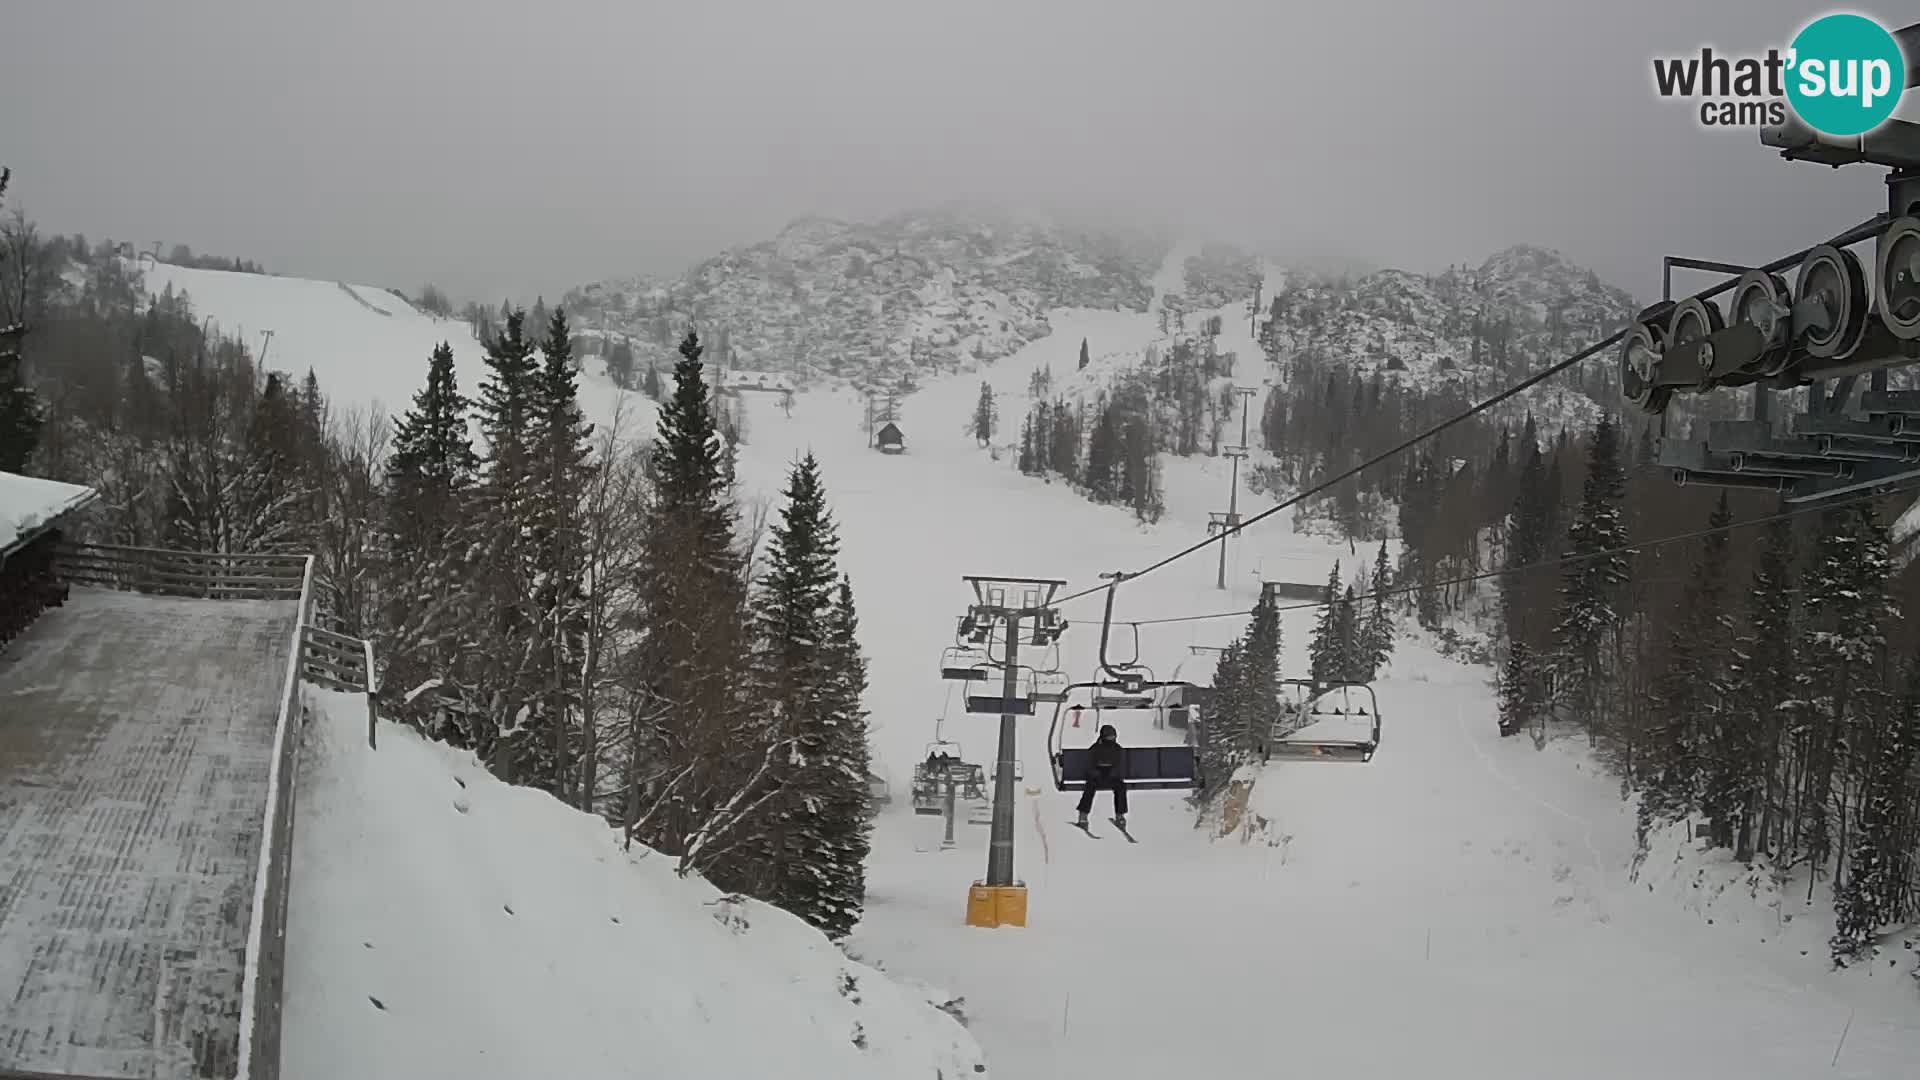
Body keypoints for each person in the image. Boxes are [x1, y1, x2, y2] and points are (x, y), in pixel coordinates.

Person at [1076, 724, 1127, 828]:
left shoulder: (1117, 749)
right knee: (1090, 786)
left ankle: (1120, 815)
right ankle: (1083, 815)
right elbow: (1089, 762)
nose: (1111, 739)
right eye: (1109, 737)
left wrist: (1114, 772)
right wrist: (1095, 772)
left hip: (1111, 776)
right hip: (1097, 776)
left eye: (1112, 737)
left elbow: (1120, 764)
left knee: (1120, 787)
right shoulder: (1096, 748)